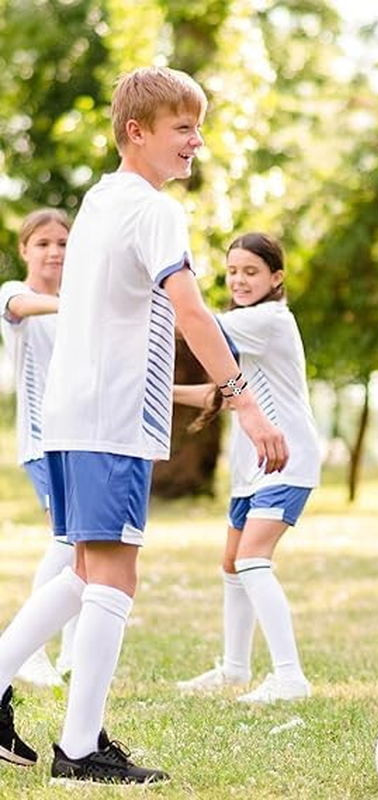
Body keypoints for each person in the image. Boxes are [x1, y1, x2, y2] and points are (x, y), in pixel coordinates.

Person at [0, 66, 287, 784]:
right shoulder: (154, 209)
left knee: (82, 568)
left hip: (71, 416)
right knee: (114, 580)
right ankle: (79, 748)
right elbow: (189, 309)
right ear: (138, 133)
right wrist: (246, 403)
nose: (196, 142)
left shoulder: (101, 197)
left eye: (199, 127)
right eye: (182, 129)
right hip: (111, 416)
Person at [175, 232, 321, 704]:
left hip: (286, 458)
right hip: (251, 468)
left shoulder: (269, 320)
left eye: (251, 272)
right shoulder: (245, 325)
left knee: (252, 560)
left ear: (276, 278)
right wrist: (155, 387)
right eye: (233, 271)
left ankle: (290, 676)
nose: (239, 280)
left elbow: (190, 322)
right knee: (232, 565)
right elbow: (216, 395)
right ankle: (235, 669)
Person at [0, 208, 76, 688]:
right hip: (42, 443)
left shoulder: (75, 302)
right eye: (43, 243)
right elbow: (22, 309)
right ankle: (28, 653)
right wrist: (84, 305)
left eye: (63, 243)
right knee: (67, 542)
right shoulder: (14, 293)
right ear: (25, 249)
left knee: (83, 545)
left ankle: (70, 654)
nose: (53, 252)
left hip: (80, 439)